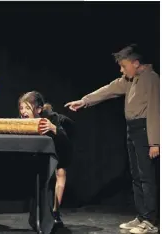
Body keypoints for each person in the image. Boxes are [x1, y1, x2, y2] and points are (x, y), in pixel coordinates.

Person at [65, 44, 159, 234]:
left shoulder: (152, 79)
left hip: (144, 130)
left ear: (136, 63)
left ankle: (151, 220)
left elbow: (156, 112)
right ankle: (141, 215)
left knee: (147, 177)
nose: (121, 70)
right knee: (136, 176)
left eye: (124, 66)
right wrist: (84, 101)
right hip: (132, 130)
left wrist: (155, 142)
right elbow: (109, 89)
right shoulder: (130, 79)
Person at [18, 91, 74, 228]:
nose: (23, 112)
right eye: (21, 108)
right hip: (42, 151)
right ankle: (38, 210)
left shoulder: (51, 118)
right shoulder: (23, 120)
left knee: (60, 172)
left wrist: (53, 128)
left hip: (61, 143)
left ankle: (55, 211)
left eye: (27, 108)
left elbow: (64, 139)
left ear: (38, 109)